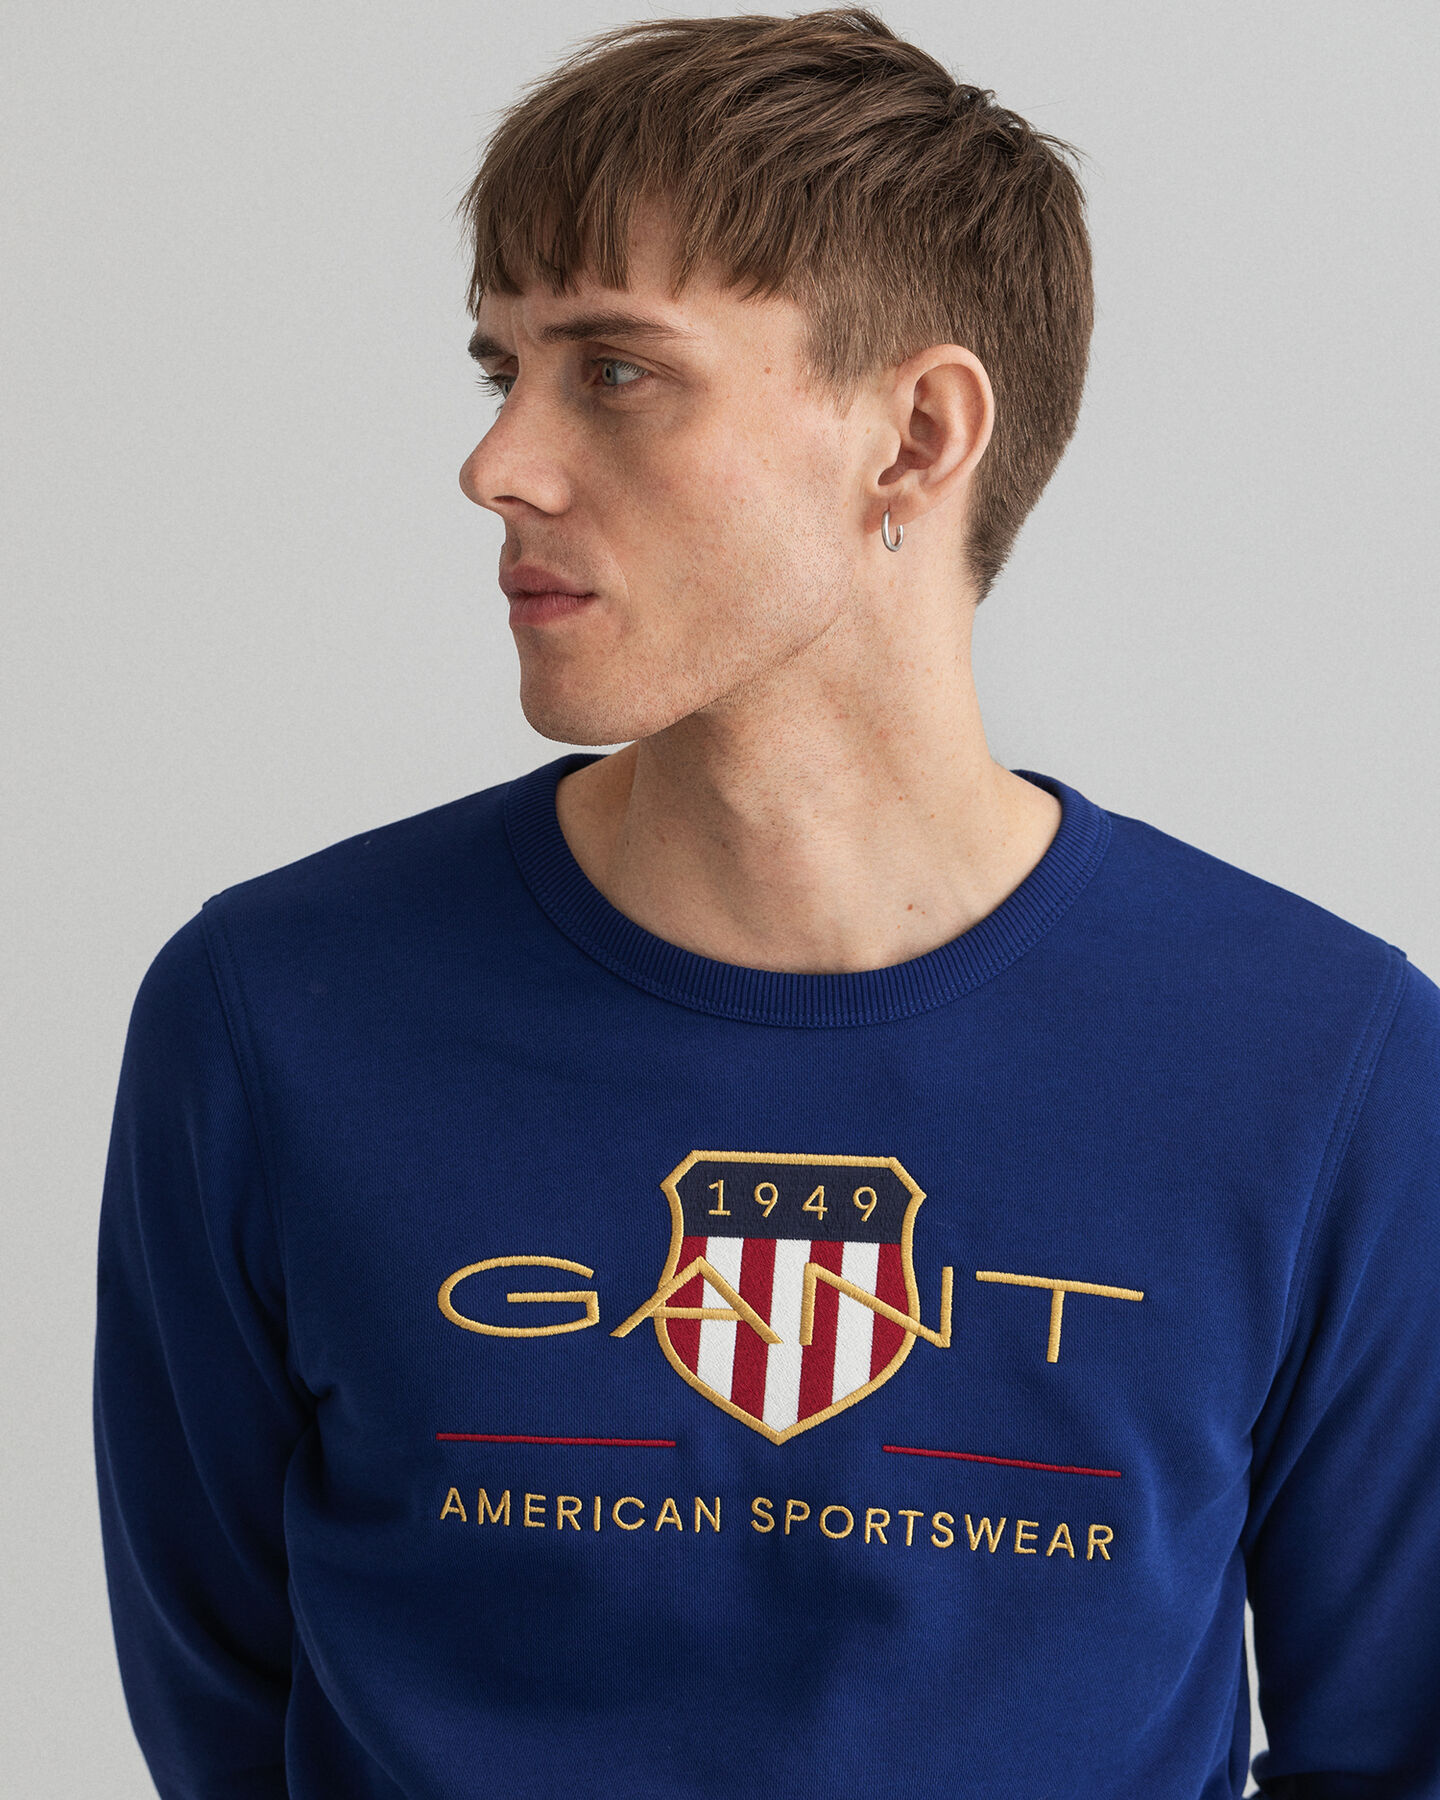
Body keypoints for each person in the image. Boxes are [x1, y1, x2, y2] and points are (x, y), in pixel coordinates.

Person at [92, 9, 1440, 1798]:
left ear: (917, 436)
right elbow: (225, 1714)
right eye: (501, 368)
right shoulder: (271, 1016)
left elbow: (1399, 1746)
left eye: (614, 370)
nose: (499, 465)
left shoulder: (1323, 1062)